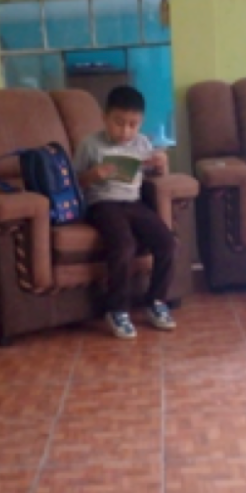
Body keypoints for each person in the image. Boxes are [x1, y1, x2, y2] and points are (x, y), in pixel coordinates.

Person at [73, 85, 177, 339]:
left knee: (167, 242)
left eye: (133, 124)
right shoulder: (90, 144)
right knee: (124, 245)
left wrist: (162, 164)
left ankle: (156, 301)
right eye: (119, 123)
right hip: (102, 203)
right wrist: (92, 175)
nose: (125, 131)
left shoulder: (142, 143)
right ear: (104, 117)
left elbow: (156, 173)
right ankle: (117, 309)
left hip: (133, 202)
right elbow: (73, 183)